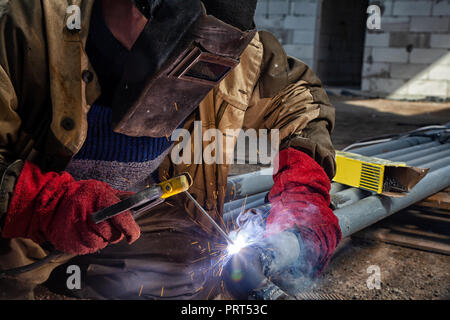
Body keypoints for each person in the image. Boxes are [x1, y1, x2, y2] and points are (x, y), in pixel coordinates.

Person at [0, 0, 341, 299]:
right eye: (185, 47)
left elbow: (296, 99)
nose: (190, 76)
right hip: (22, 224)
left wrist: (304, 194)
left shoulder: (229, 52)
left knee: (193, 267)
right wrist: (42, 203)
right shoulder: (20, 30)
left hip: (130, 217)